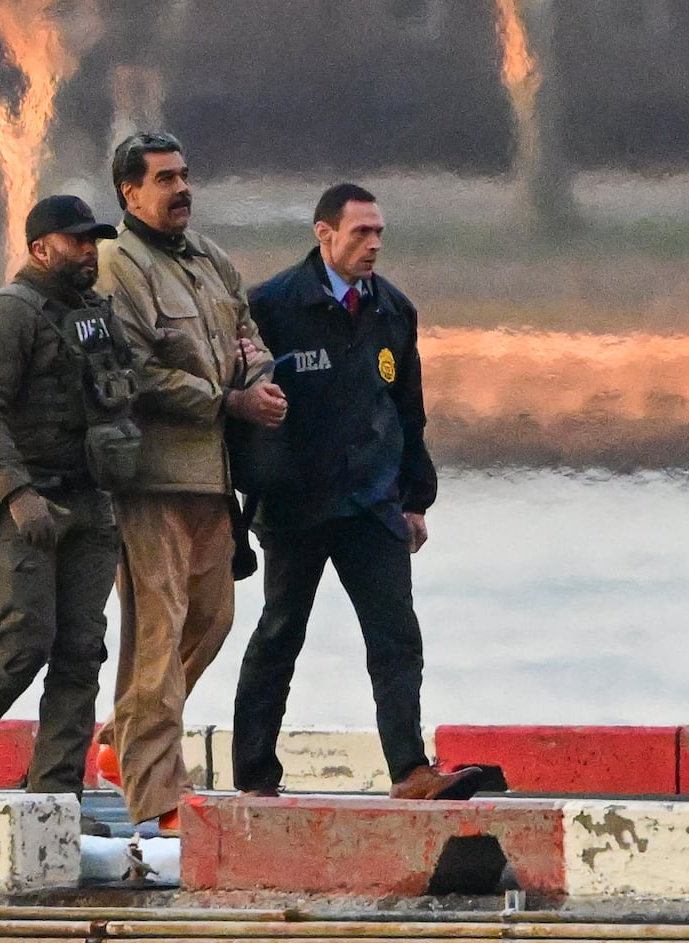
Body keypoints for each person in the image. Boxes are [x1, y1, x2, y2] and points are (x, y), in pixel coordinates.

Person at [231, 184, 483, 801]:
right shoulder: (271, 305)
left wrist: (415, 498)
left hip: (372, 502)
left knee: (396, 635)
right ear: (324, 232)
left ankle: (409, 771)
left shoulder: (393, 309)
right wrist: (244, 498)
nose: (371, 245)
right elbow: (237, 411)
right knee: (281, 632)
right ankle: (255, 774)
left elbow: (407, 409)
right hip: (296, 504)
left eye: (378, 234)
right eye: (359, 233)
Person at [94, 132, 287, 834]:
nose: (182, 189)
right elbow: (134, 371)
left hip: (214, 477)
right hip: (150, 478)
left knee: (213, 617)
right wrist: (226, 398)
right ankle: (158, 800)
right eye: (165, 178)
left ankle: (126, 738)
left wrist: (258, 377)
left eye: (185, 175)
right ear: (130, 192)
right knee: (158, 627)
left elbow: (250, 337)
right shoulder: (120, 264)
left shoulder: (210, 260)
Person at [0, 196, 135, 837]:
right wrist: (18, 495)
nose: (89, 252)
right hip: (25, 505)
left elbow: (125, 391)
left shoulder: (96, 317)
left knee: (81, 652)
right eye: (77, 242)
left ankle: (56, 798)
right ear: (41, 247)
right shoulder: (8, 315)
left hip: (90, 504)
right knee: (23, 642)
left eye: (93, 241)